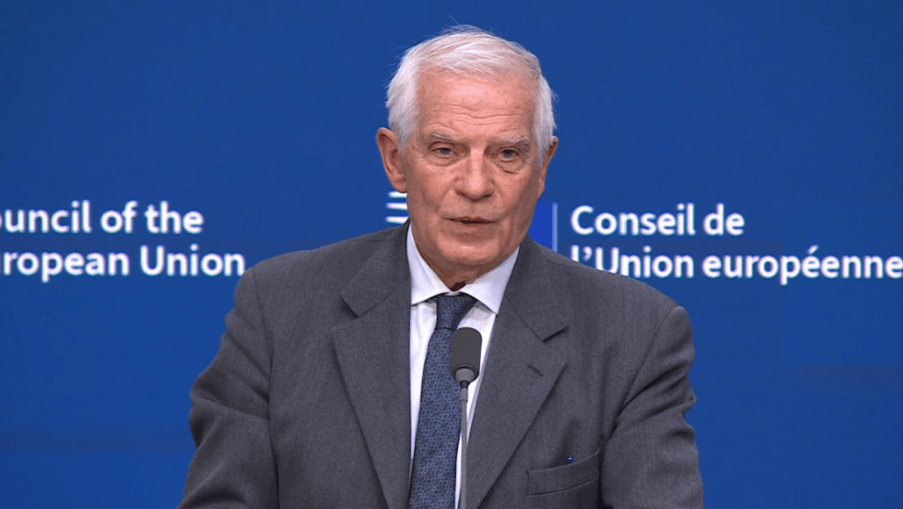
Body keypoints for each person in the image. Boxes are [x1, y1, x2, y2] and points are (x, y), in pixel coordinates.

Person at [179, 25, 703, 508]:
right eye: (445, 150)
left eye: (507, 154)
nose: (475, 185)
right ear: (395, 160)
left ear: (543, 166)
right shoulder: (279, 308)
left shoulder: (633, 334)